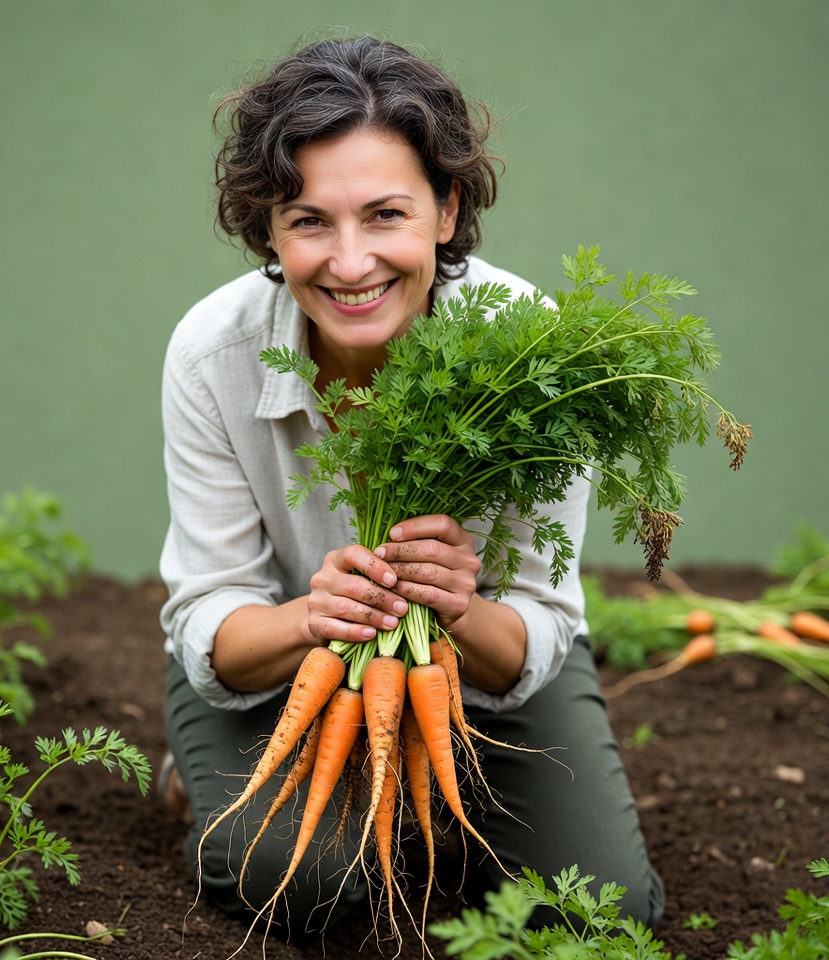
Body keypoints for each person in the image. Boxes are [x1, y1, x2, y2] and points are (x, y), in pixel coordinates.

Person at [158, 34, 665, 940]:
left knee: (600, 911)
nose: (350, 264)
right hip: (283, 666)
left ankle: (432, 800)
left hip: (476, 674)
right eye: (309, 220)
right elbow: (215, 607)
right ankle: (213, 768)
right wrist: (313, 618)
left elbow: (540, 622)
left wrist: (459, 609)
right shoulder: (213, 354)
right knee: (302, 883)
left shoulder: (537, 356)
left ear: (446, 208)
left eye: (385, 214)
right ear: (267, 229)